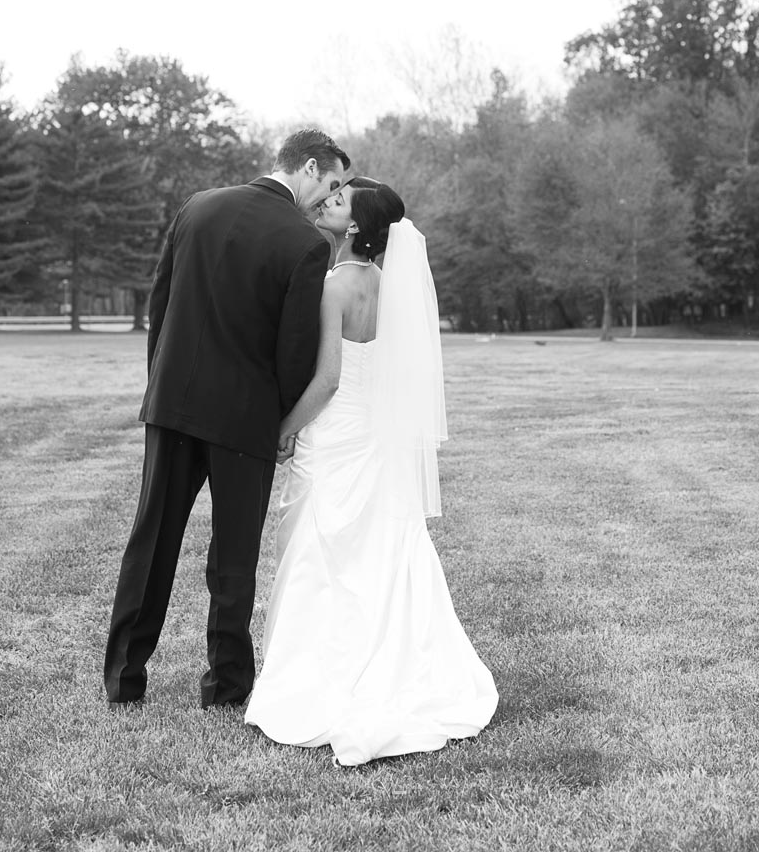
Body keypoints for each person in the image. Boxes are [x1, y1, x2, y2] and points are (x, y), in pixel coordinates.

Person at [245, 178, 498, 765]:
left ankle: (314, 684)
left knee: (320, 550)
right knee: (380, 551)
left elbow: (329, 380)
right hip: (373, 440)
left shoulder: (335, 286)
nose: (329, 200)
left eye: (340, 200)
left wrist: (283, 428)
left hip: (336, 435)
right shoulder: (387, 283)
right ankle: (400, 664)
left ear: (355, 226)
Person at [104, 128, 350, 708]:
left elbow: (159, 306)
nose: (330, 198)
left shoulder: (199, 205)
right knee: (233, 557)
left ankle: (123, 678)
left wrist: (158, 388)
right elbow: (294, 351)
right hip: (244, 422)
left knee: (151, 540)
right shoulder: (305, 242)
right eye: (333, 184)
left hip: (172, 404)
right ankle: (227, 683)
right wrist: (284, 424)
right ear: (309, 167)